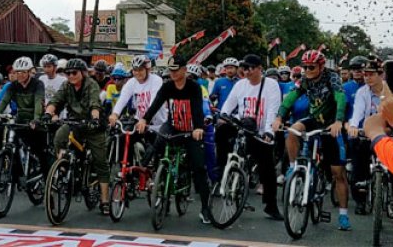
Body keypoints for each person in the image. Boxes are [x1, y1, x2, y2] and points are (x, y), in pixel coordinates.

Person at [272, 50, 351, 231]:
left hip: (331, 124)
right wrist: (278, 117)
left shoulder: (332, 77)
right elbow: (291, 97)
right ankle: (293, 167)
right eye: (305, 66)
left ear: (321, 66)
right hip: (314, 119)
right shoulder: (305, 80)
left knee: (338, 173)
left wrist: (339, 120)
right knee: (292, 131)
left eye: (311, 67)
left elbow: (340, 98)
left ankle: (343, 214)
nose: (307, 70)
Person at [138, 54, 212, 224]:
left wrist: (199, 128)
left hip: (191, 129)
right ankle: (155, 174)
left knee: (199, 168)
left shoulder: (194, 88)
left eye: (176, 70)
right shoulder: (167, 87)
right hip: (172, 125)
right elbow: (155, 104)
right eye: (170, 70)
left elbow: (198, 110)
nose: (172, 73)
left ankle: (205, 208)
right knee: (158, 140)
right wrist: (144, 119)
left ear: (184, 70)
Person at [216, 54, 283, 220]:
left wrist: (268, 131)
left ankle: (271, 206)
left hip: (260, 131)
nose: (246, 71)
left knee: (267, 168)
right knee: (221, 132)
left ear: (260, 68)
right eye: (244, 68)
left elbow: (273, 111)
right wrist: (223, 117)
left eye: (250, 68)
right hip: (243, 126)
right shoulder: (240, 85)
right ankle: (224, 171)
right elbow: (228, 106)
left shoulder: (271, 85)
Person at [42, 58, 109, 215]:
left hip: (93, 125)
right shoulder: (66, 86)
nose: (71, 76)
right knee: (59, 136)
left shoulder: (91, 84)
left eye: (74, 73)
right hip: (75, 123)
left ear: (83, 73)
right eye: (68, 73)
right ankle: (63, 167)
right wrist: (47, 113)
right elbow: (55, 101)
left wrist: (95, 119)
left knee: (100, 161)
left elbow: (94, 103)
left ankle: (105, 200)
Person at [0, 57, 48, 177]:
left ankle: (47, 184)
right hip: (21, 120)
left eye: (23, 72)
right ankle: (17, 175)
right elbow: (3, 102)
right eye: (17, 72)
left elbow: (39, 102)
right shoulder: (13, 86)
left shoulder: (38, 84)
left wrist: (36, 119)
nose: (20, 75)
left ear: (29, 72)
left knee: (41, 153)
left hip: (35, 121)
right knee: (13, 144)